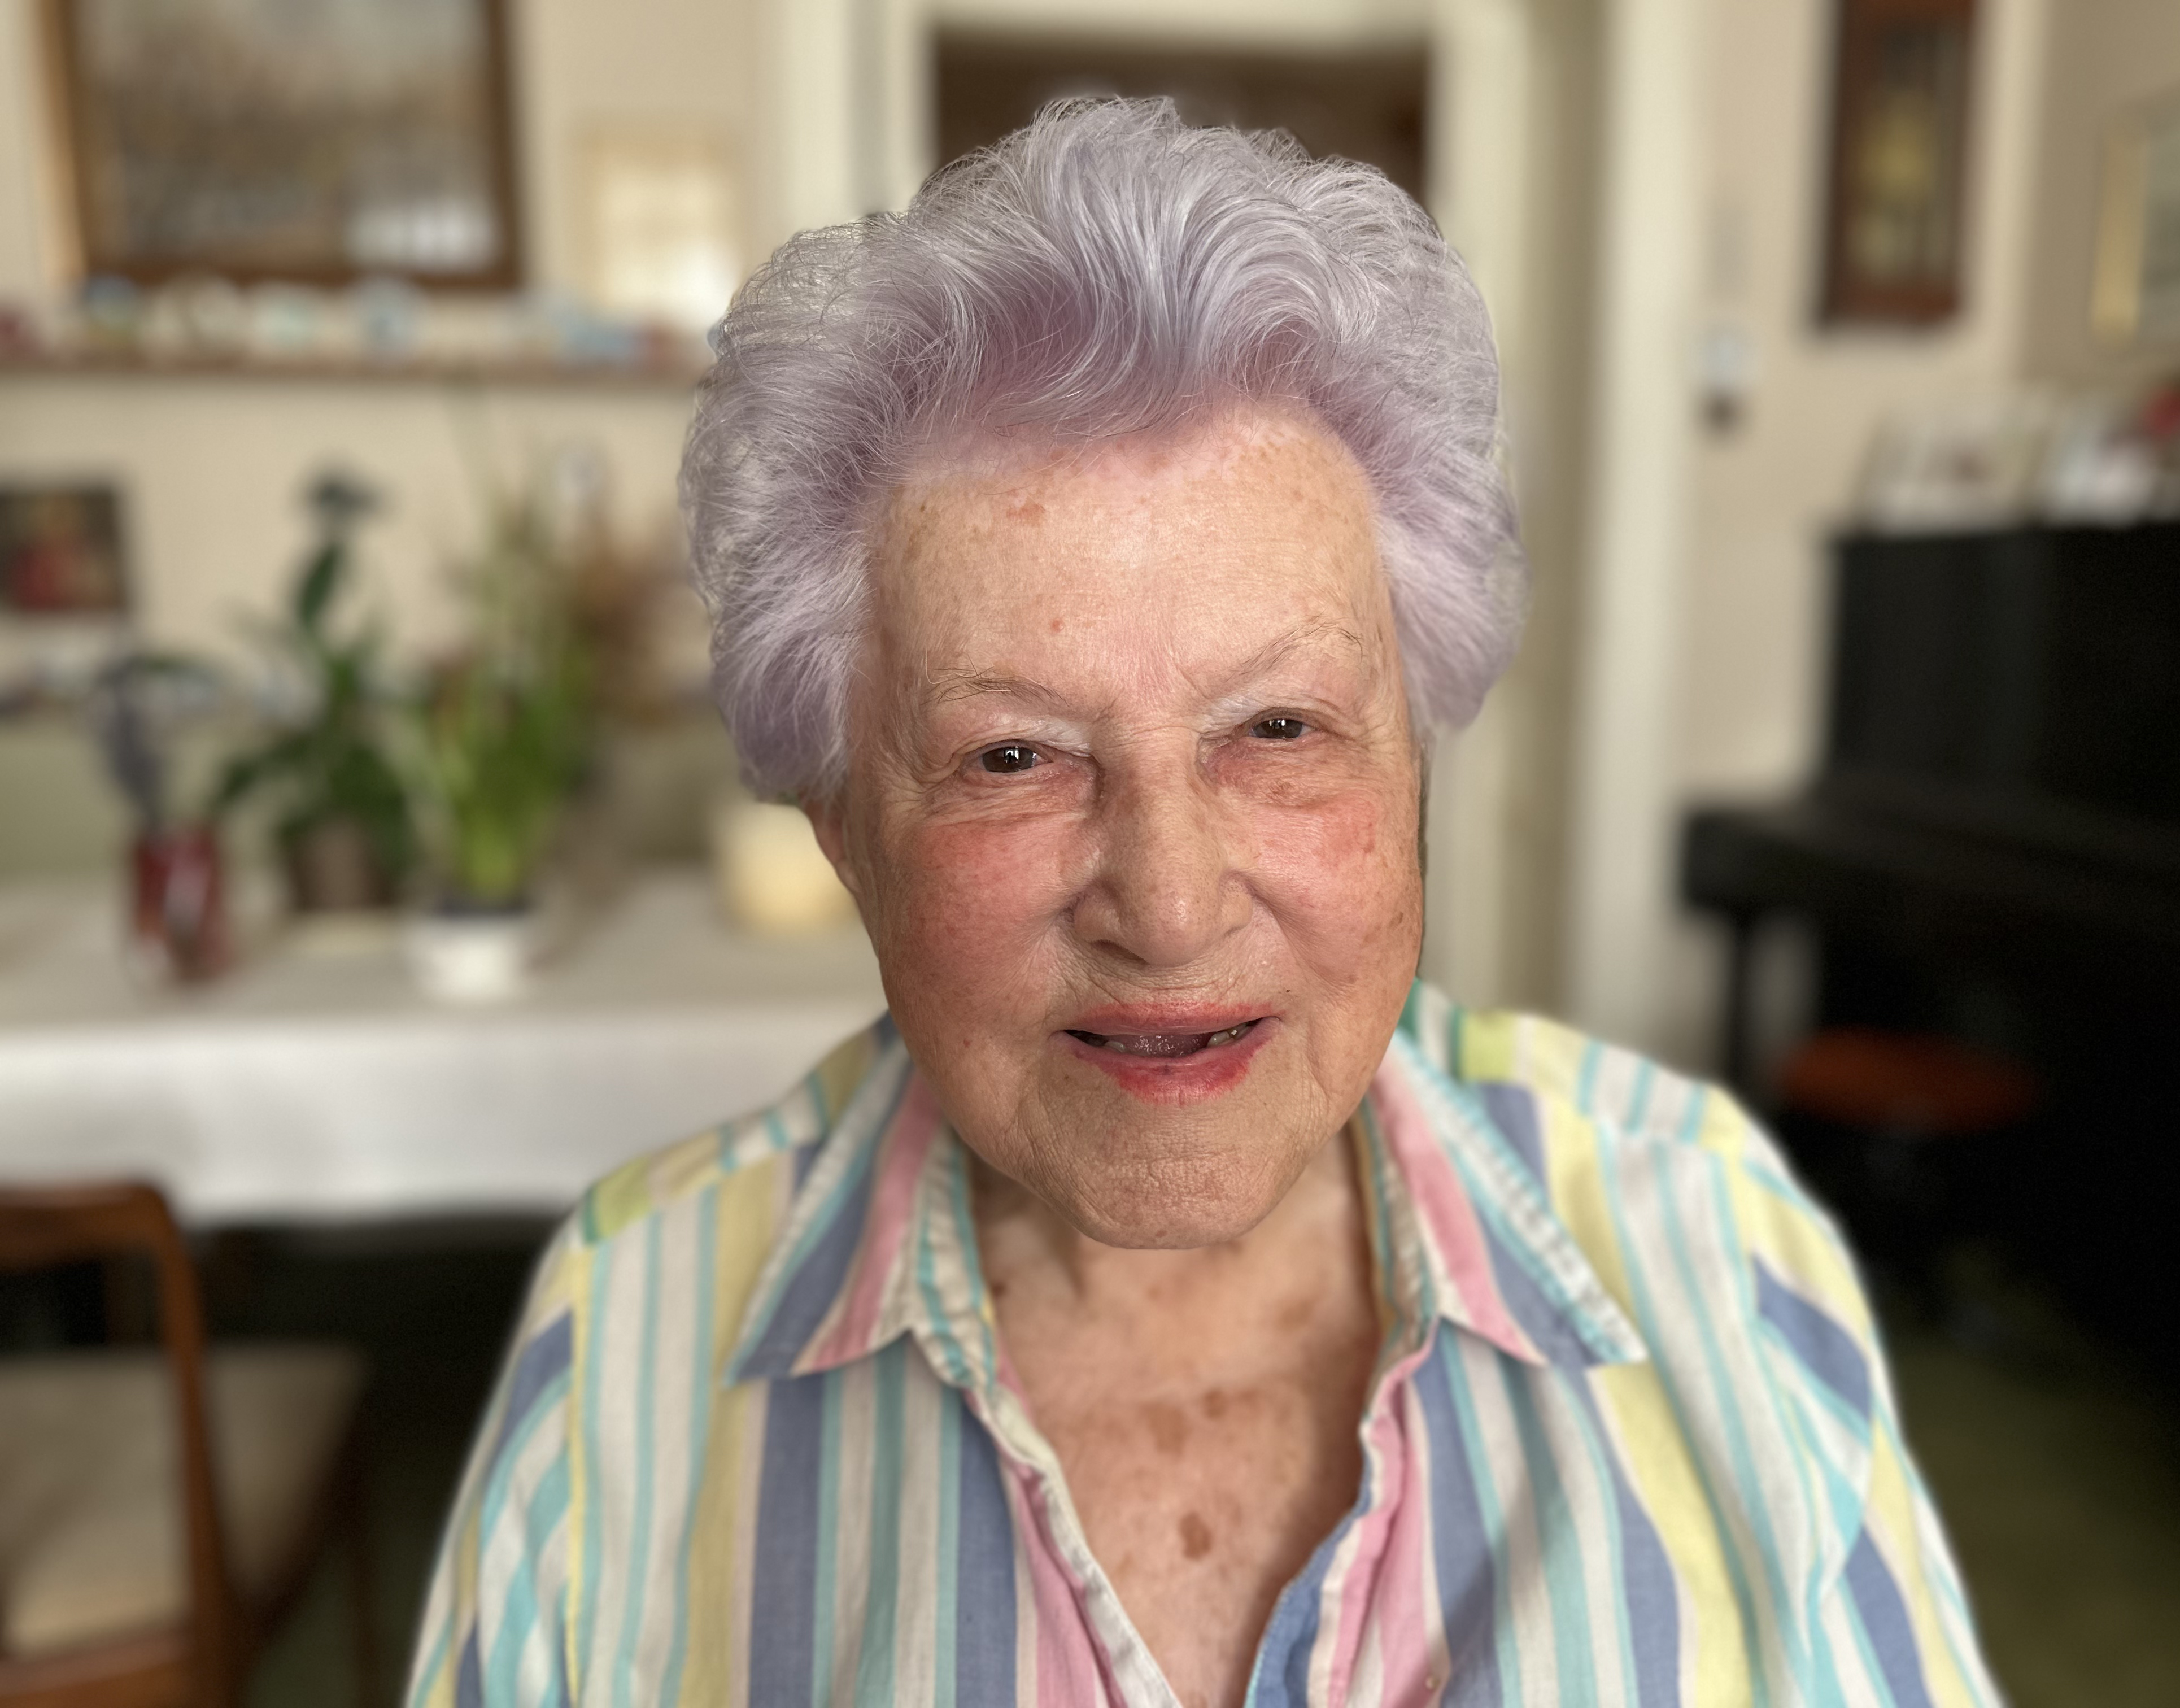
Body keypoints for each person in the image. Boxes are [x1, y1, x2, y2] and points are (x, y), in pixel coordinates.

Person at [411, 99, 1996, 1708]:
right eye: (1013, 756)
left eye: (1281, 729)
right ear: (844, 834)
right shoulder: (631, 1333)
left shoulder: (1716, 1240)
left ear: (1415, 768)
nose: (1168, 910)